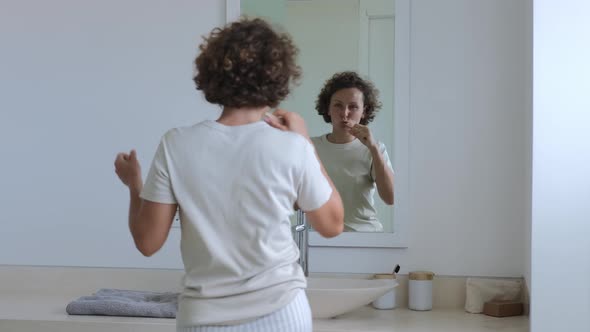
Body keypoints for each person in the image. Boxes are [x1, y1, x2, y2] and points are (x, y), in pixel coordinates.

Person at [114, 18, 343, 332]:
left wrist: (133, 185)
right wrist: (305, 143)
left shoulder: (176, 144)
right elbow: (332, 225)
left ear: (213, 75)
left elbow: (147, 243)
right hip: (282, 316)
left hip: (203, 321)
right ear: (277, 78)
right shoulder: (291, 147)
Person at [311, 71, 394, 232]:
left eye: (353, 107)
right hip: (320, 239)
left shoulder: (375, 148)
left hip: (365, 237)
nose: (345, 113)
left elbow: (391, 198)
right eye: (338, 105)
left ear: (364, 111)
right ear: (328, 108)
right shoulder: (311, 147)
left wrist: (373, 149)